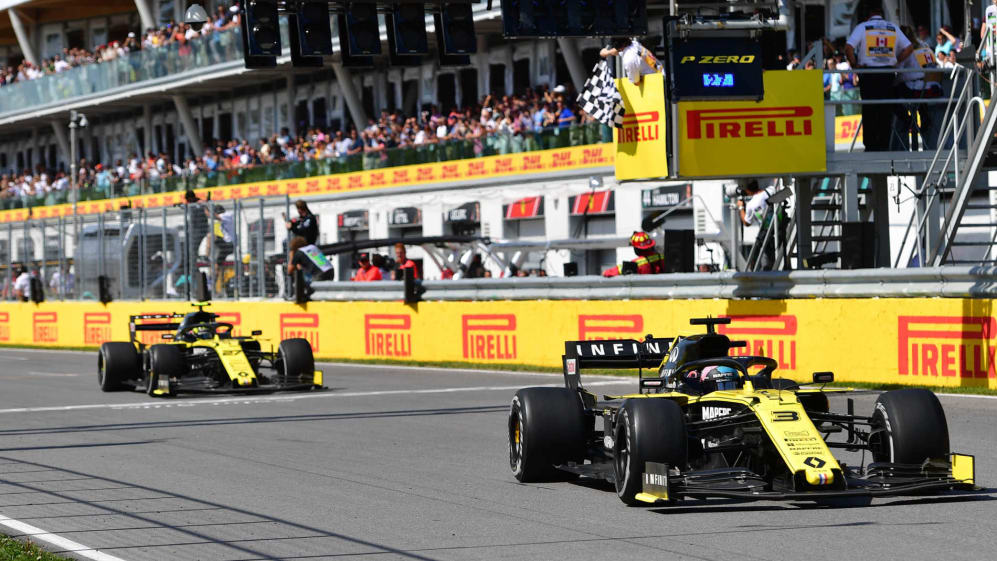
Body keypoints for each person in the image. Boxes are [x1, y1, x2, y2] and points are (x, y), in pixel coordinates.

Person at [845, 6, 913, 151]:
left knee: (869, 109)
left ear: (868, 16)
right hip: (887, 74)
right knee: (885, 110)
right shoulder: (893, 27)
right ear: (882, 15)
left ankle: (870, 146)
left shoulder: (863, 27)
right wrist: (896, 62)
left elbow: (849, 47)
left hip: (868, 74)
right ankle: (883, 145)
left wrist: (855, 65)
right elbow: (909, 48)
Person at [893, 25, 944, 151]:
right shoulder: (925, 45)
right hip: (935, 87)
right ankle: (923, 117)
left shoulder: (906, 49)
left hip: (919, 89)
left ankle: (907, 120)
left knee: (892, 91)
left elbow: (898, 70)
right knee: (916, 91)